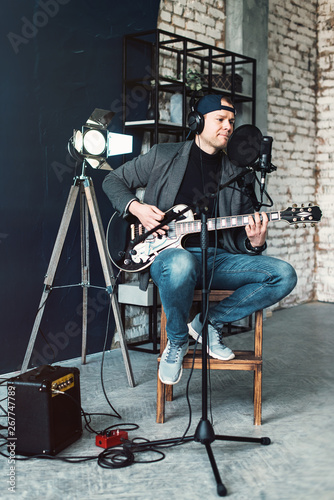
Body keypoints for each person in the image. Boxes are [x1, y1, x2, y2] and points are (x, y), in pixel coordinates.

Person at [103, 94, 297, 385]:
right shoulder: (163, 155)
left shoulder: (238, 173)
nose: (228, 127)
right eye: (220, 119)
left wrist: (254, 243)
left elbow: (238, 236)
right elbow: (112, 181)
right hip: (167, 258)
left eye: (231, 121)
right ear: (198, 121)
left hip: (215, 259)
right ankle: (178, 340)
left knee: (284, 274)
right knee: (181, 264)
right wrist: (138, 208)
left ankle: (208, 323)